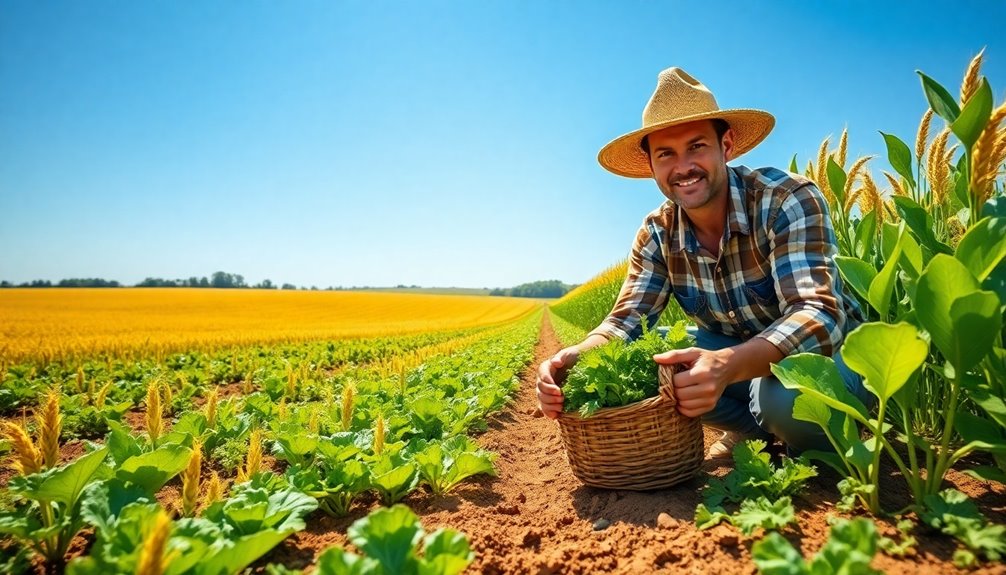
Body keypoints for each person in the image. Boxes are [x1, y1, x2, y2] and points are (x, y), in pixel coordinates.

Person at [536, 67, 872, 458]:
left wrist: (726, 366)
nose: (683, 167)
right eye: (666, 154)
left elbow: (817, 316)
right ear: (651, 165)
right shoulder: (658, 232)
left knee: (780, 396)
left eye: (696, 146)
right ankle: (756, 434)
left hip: (828, 361)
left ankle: (836, 440)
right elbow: (624, 322)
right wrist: (576, 356)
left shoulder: (786, 199)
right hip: (737, 364)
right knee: (652, 355)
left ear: (725, 145)